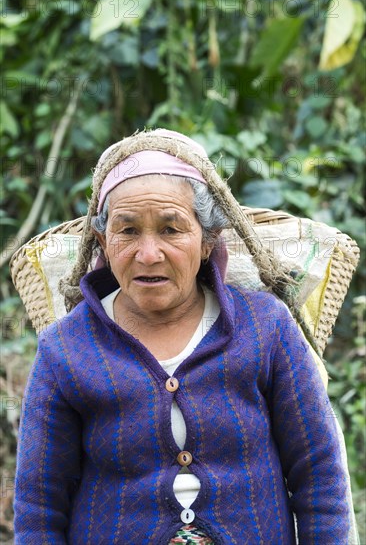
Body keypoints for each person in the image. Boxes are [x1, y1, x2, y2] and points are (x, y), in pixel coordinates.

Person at [13, 129, 353, 544]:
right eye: (128, 231)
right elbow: (39, 507)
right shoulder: (64, 350)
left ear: (208, 241)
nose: (149, 253)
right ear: (103, 240)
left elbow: (318, 473)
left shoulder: (266, 327)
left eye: (171, 230)